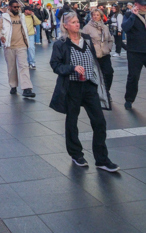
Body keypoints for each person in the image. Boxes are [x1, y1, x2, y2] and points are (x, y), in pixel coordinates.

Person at [49, 11, 118, 172]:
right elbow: (55, 65)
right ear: (65, 25)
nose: (77, 24)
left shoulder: (86, 39)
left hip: (89, 85)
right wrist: (72, 68)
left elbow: (94, 59)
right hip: (72, 87)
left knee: (99, 121)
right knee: (72, 121)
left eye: (77, 21)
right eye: (73, 22)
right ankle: (76, 154)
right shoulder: (61, 44)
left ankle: (102, 159)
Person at [0, 0, 35, 99]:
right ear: (10, 7)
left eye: (18, 7)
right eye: (15, 7)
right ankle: (13, 85)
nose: (17, 8)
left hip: (21, 45)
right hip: (9, 46)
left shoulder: (21, 16)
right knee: (11, 67)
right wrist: (1, 36)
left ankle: (27, 89)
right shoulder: (4, 17)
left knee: (24, 66)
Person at [84, 8, 114, 93]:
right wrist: (91, 47)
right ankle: (96, 93)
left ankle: (106, 92)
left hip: (105, 54)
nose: (95, 16)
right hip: (94, 55)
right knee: (96, 75)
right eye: (94, 15)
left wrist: (109, 48)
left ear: (101, 16)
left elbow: (110, 39)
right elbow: (84, 41)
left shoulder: (105, 27)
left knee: (109, 73)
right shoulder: (87, 28)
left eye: (97, 15)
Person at [23, 6, 41, 70]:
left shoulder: (32, 16)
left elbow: (38, 22)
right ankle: (27, 62)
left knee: (31, 48)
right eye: (29, 10)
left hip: (31, 35)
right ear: (26, 10)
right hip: (23, 35)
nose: (31, 11)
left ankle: (32, 62)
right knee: (25, 50)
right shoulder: (21, 16)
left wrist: (34, 16)